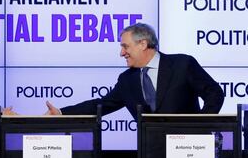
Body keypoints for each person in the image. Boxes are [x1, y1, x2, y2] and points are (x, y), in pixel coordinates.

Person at [45, 23, 224, 119]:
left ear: (143, 44)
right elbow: (101, 105)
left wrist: (200, 126)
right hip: (151, 150)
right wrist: (61, 112)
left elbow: (214, 93)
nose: (121, 52)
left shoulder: (182, 64)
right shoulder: (127, 80)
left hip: (189, 150)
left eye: (125, 46)